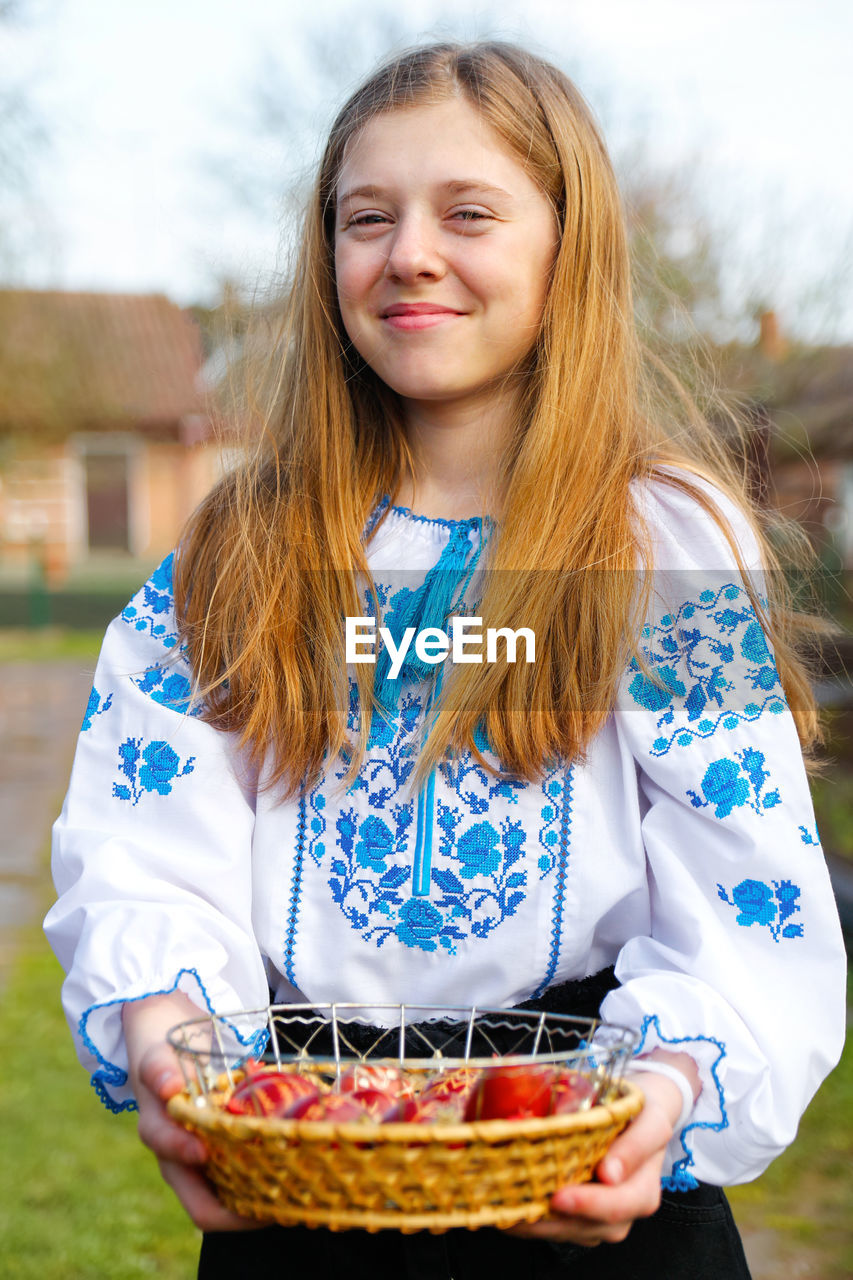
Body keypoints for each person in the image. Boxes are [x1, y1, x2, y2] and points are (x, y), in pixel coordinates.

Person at [45, 41, 845, 1279]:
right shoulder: (242, 550)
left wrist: (667, 1089)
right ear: (327, 260)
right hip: (304, 1177)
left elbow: (748, 902)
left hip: (591, 1164)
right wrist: (171, 1042)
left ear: (565, 247)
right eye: (367, 216)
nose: (409, 250)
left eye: (468, 211)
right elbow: (145, 851)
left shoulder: (657, 544)